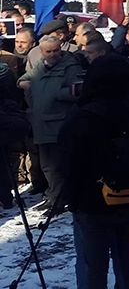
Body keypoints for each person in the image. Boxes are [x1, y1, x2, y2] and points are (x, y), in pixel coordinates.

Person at [59, 55, 129, 289]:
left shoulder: (84, 115)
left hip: (91, 201)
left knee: (92, 266)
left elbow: (68, 159)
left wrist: (72, 197)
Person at [17, 35, 82, 214]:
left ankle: (58, 200)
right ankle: (53, 195)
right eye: (48, 51)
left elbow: (78, 91)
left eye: (56, 50)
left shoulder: (70, 67)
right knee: (46, 165)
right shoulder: (41, 66)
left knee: (57, 165)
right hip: (41, 123)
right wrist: (23, 83)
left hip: (59, 123)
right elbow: (24, 78)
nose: (53, 55)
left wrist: (55, 93)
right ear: (41, 52)